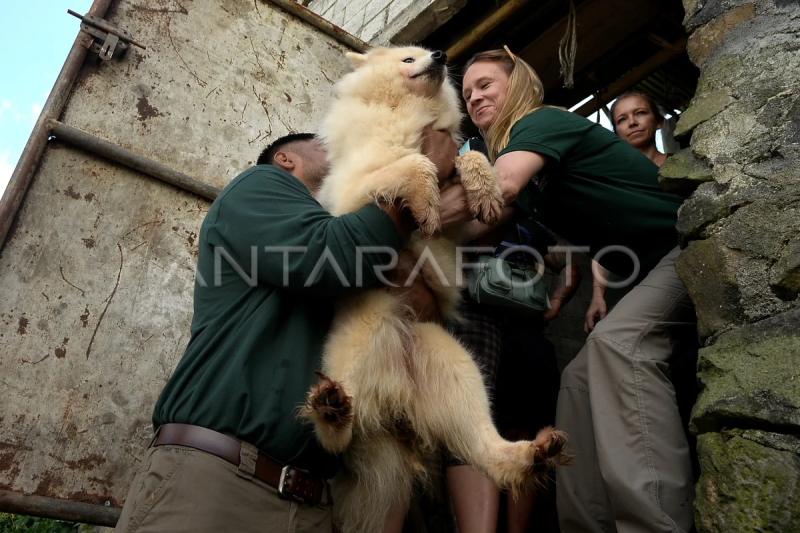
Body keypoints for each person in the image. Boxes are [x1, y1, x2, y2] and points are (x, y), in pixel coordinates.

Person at [113, 129, 458, 533]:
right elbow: (334, 256)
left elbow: (420, 310)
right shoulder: (260, 184)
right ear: (286, 160)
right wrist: (421, 173)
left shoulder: (354, 232)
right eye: (329, 145)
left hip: (314, 505)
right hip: (216, 483)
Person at [454, 48, 696, 533]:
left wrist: (396, 224)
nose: (474, 97)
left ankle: (656, 523)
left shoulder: (539, 122)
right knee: (577, 384)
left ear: (517, 85)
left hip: (685, 246)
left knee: (617, 346)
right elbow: (474, 229)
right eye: (467, 93)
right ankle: (588, 525)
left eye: (485, 84)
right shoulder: (524, 167)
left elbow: (497, 188)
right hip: (643, 274)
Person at [445, 216, 580, 533]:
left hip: (487, 326)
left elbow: (571, 263)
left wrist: (555, 306)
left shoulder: (510, 219)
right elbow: (571, 265)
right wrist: (554, 305)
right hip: (513, 332)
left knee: (504, 434)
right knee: (514, 434)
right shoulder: (528, 224)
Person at [585, 91, 670, 334]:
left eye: (640, 113)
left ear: (659, 121)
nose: (632, 122)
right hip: (636, 281)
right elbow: (603, 241)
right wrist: (597, 295)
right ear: (616, 134)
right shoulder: (613, 184)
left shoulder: (681, 167)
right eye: (622, 119)